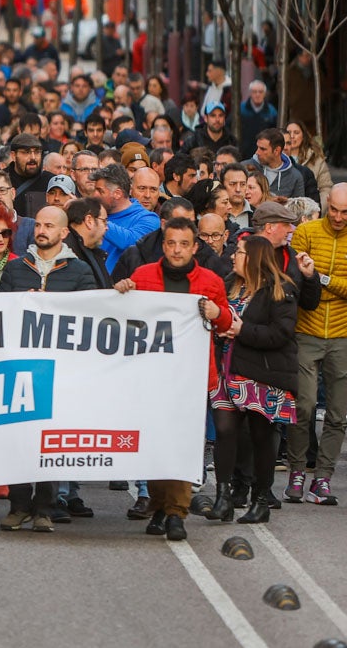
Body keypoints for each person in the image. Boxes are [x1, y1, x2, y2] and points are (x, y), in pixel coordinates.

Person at [115, 217, 232, 541]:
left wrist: (217, 314)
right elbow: (123, 319)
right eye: (171, 243)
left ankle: (176, 514)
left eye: (184, 244)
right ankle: (161, 505)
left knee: (183, 444)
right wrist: (122, 292)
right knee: (155, 444)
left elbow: (225, 324)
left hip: (190, 378)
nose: (177, 250)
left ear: (195, 247)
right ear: (163, 245)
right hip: (152, 377)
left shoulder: (210, 281)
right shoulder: (143, 276)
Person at [0, 206, 98, 533]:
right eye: (38, 224)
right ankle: (18, 505)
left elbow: (89, 318)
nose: (41, 230)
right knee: (16, 438)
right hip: (19, 367)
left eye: (49, 225)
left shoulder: (80, 271)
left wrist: (52, 305)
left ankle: (44, 507)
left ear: (64, 232)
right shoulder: (16, 269)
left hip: (60, 371)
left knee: (48, 441)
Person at [285, 182, 347, 506]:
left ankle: (322, 478)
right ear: (326, 204)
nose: (337, 217)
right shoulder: (306, 232)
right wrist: (345, 284)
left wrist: (322, 278)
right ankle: (297, 472)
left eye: (345, 212)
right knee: (304, 406)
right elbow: (299, 278)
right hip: (306, 332)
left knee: (337, 415)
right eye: (333, 209)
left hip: (342, 336)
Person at [208, 236, 299, 525]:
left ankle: (261, 500)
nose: (234, 256)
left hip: (262, 374)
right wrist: (218, 329)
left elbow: (280, 334)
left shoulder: (280, 291)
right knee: (224, 430)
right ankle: (224, 498)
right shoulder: (227, 285)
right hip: (227, 370)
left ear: (256, 257)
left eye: (240, 252)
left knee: (261, 437)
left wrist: (241, 330)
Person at [89, 163, 159, 272]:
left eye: (100, 191)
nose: (94, 195)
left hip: (124, 286)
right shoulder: (95, 216)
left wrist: (98, 219)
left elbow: (131, 242)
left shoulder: (148, 219)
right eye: (142, 188)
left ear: (117, 194)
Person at [284, 120, 332, 207]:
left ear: (303, 136)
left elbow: (326, 188)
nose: (292, 136)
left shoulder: (316, 159)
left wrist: (318, 208)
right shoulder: (276, 158)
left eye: (296, 133)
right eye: (288, 133)